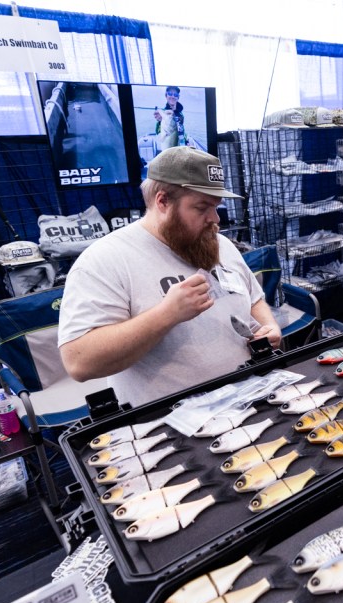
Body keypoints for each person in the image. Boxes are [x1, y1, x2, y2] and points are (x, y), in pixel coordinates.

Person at [59, 146, 280, 407]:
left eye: (216, 206)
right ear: (162, 201)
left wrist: (269, 327)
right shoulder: (105, 260)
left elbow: (253, 298)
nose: (215, 219)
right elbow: (79, 362)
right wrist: (167, 314)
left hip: (248, 397)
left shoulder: (217, 243)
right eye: (202, 207)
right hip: (169, 419)